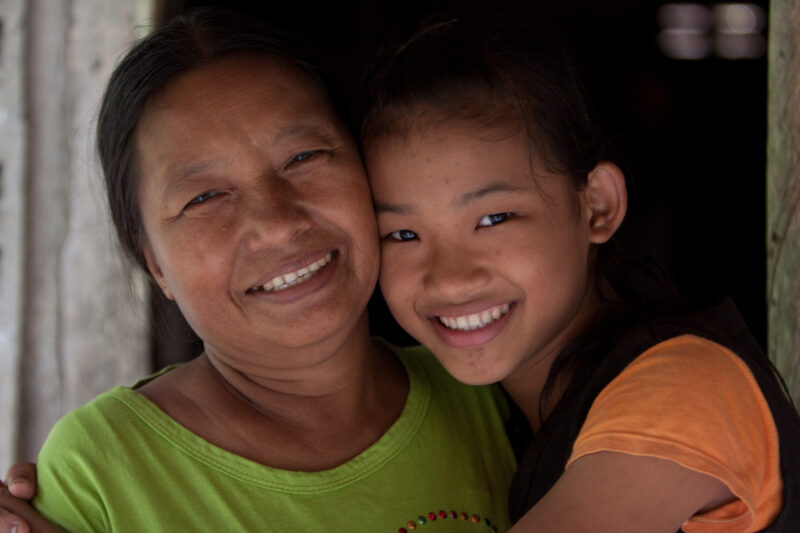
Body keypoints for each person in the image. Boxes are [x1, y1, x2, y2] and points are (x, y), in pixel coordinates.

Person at [0, 9, 517, 533]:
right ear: (155, 262)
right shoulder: (102, 473)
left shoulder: (485, 391)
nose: (276, 224)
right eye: (204, 197)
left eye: (304, 157)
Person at [357, 13, 800, 533]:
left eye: (494, 218)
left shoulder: (684, 389)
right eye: (403, 235)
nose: (449, 279)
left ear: (597, 207)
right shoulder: (494, 413)